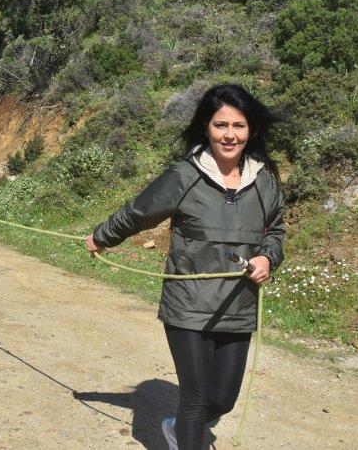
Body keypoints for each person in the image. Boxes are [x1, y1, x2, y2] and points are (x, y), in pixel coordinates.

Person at [85, 84, 286, 450]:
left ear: (251, 130)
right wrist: (102, 236)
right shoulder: (184, 175)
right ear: (206, 127)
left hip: (238, 305)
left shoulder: (266, 183)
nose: (229, 134)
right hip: (188, 304)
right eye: (220, 124)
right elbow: (139, 212)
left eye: (238, 126)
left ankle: (177, 430)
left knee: (222, 400)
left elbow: (275, 231)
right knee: (195, 398)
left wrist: (267, 257)